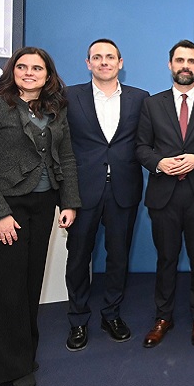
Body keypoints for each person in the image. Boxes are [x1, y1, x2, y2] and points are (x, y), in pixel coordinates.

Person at [0, 47, 81, 386]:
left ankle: (23, 354)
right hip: (4, 209)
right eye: (22, 66)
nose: (29, 72)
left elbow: (65, 157)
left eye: (37, 68)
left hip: (43, 204)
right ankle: (10, 369)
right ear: (12, 71)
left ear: (48, 75)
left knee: (29, 284)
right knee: (6, 290)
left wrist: (69, 202)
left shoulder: (55, 109)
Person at [136, 40, 194, 348]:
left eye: (191, 61)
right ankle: (164, 317)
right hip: (164, 196)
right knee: (166, 260)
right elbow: (141, 147)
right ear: (170, 65)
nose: (185, 65)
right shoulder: (151, 103)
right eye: (179, 60)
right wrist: (158, 162)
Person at [64, 39, 149, 351]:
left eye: (109, 57)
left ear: (120, 62)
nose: (103, 62)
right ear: (88, 63)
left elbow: (145, 143)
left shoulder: (140, 98)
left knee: (118, 258)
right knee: (77, 259)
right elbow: (62, 146)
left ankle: (111, 314)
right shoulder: (69, 96)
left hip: (124, 191)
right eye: (96, 57)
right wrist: (67, 195)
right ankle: (77, 319)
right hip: (83, 191)